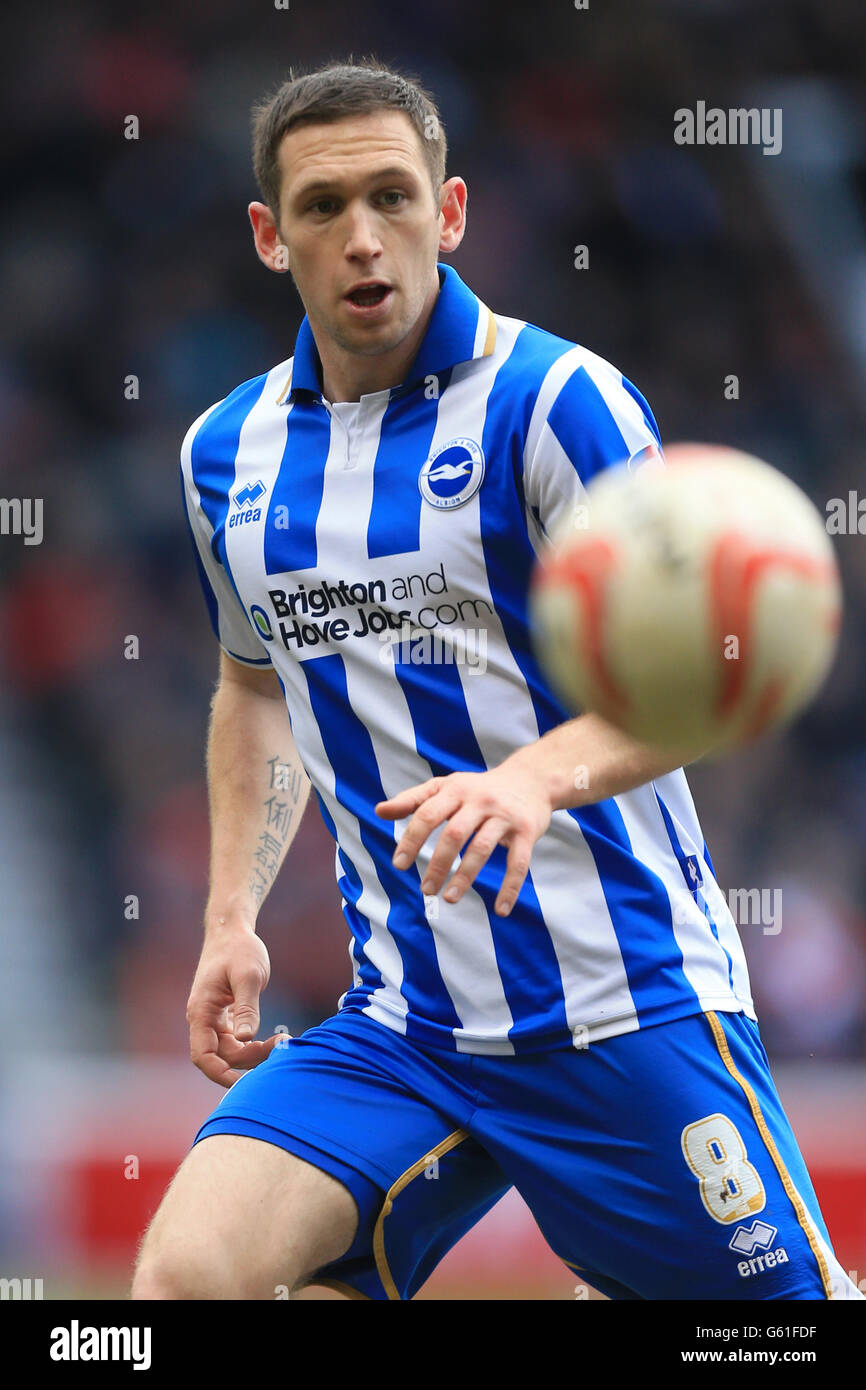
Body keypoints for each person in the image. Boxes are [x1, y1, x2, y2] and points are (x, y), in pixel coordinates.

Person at [131, 59, 860, 1301]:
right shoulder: (224, 455)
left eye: (392, 197)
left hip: (621, 1005)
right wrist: (227, 918)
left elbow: (685, 691)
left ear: (450, 212)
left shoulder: (553, 403)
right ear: (270, 235)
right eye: (321, 208)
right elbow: (255, 689)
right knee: (186, 1282)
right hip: (404, 1022)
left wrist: (529, 778)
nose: (363, 238)